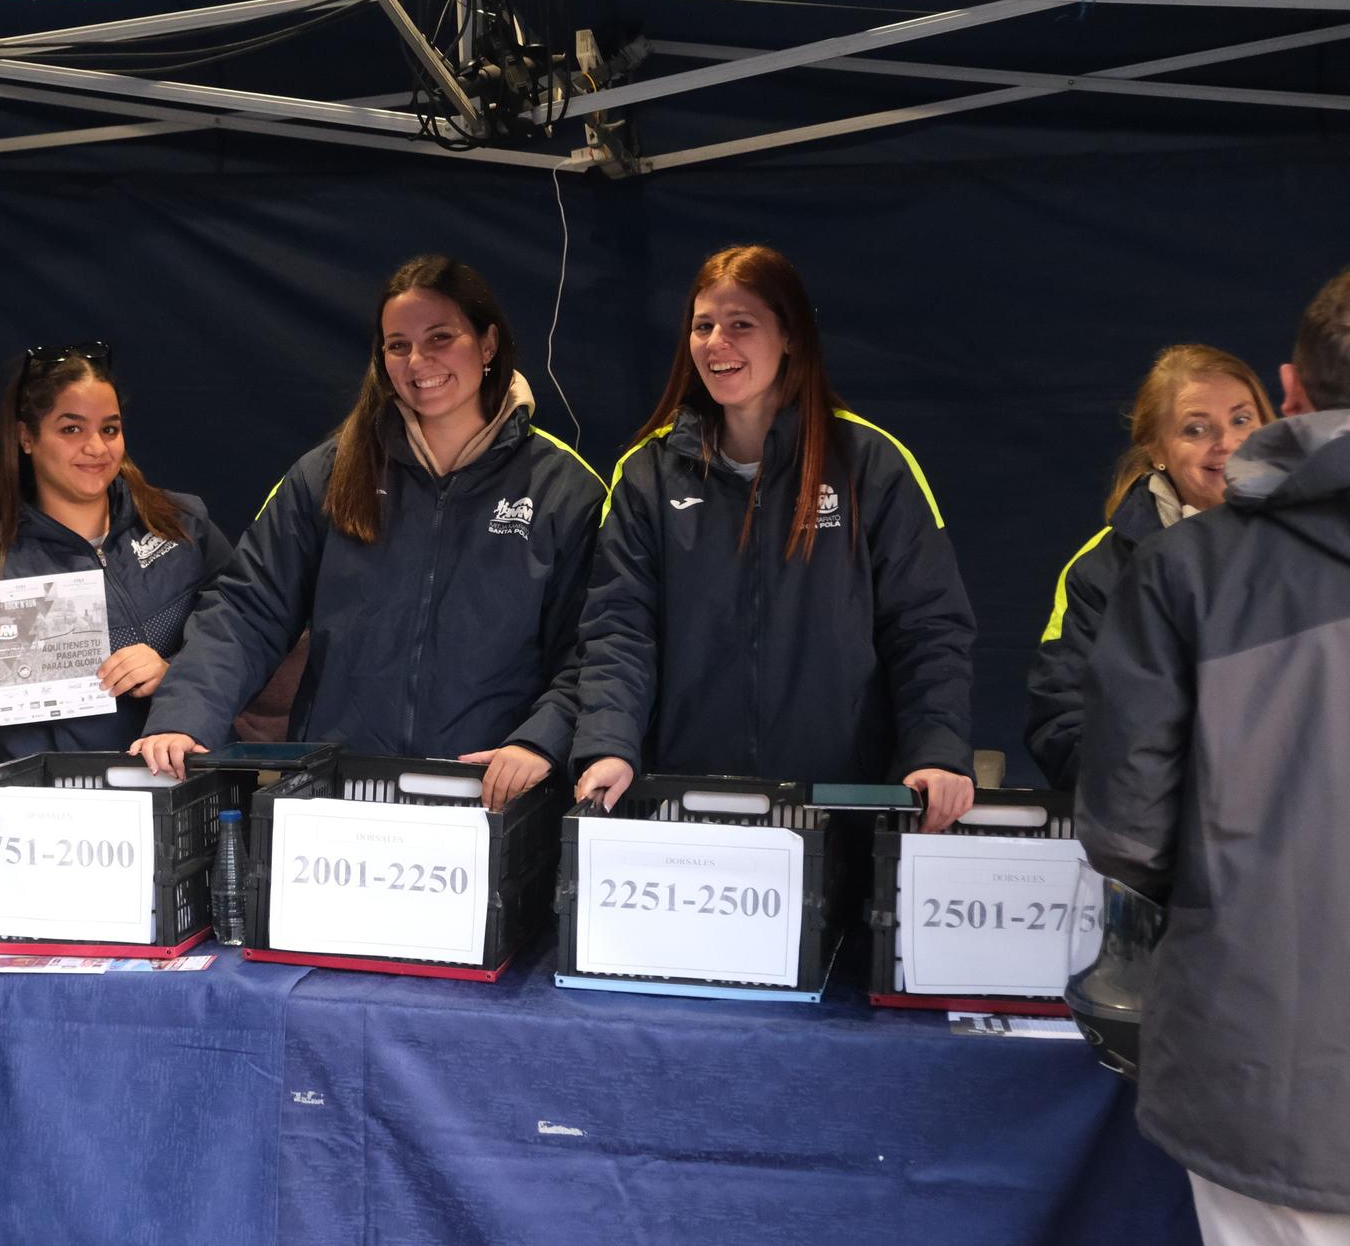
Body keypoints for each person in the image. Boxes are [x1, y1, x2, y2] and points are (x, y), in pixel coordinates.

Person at [1077, 268, 1350, 1244]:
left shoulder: (1186, 571)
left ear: (1285, 390)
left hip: (1259, 1053)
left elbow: (1124, 825)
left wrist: (1231, 887)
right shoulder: (1142, 566)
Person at [131, 254, 605, 809]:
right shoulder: (330, 471)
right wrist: (184, 717)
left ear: (489, 344)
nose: (418, 360)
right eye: (397, 344)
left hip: (489, 799)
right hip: (341, 795)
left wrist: (538, 740)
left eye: (440, 336)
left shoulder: (564, 488)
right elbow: (246, 608)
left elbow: (593, 647)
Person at [572, 244, 976, 831]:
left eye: (741, 325)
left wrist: (936, 751)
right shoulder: (648, 473)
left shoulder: (870, 464)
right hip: (689, 804)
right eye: (703, 326)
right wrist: (609, 744)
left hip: (840, 805)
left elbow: (928, 628)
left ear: (789, 336)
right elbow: (619, 627)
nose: (717, 344)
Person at [0, 344, 231, 756]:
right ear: (26, 438)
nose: (96, 447)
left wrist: (176, 675)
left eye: (109, 429)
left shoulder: (182, 522)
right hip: (60, 804)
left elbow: (241, 638)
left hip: (185, 789)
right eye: (71, 429)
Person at [1025, 345, 1274, 791]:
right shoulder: (1102, 570)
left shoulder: (1325, 539)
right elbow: (1064, 724)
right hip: (1179, 841)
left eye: (1241, 419)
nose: (1227, 442)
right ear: (1156, 449)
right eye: (1195, 429)